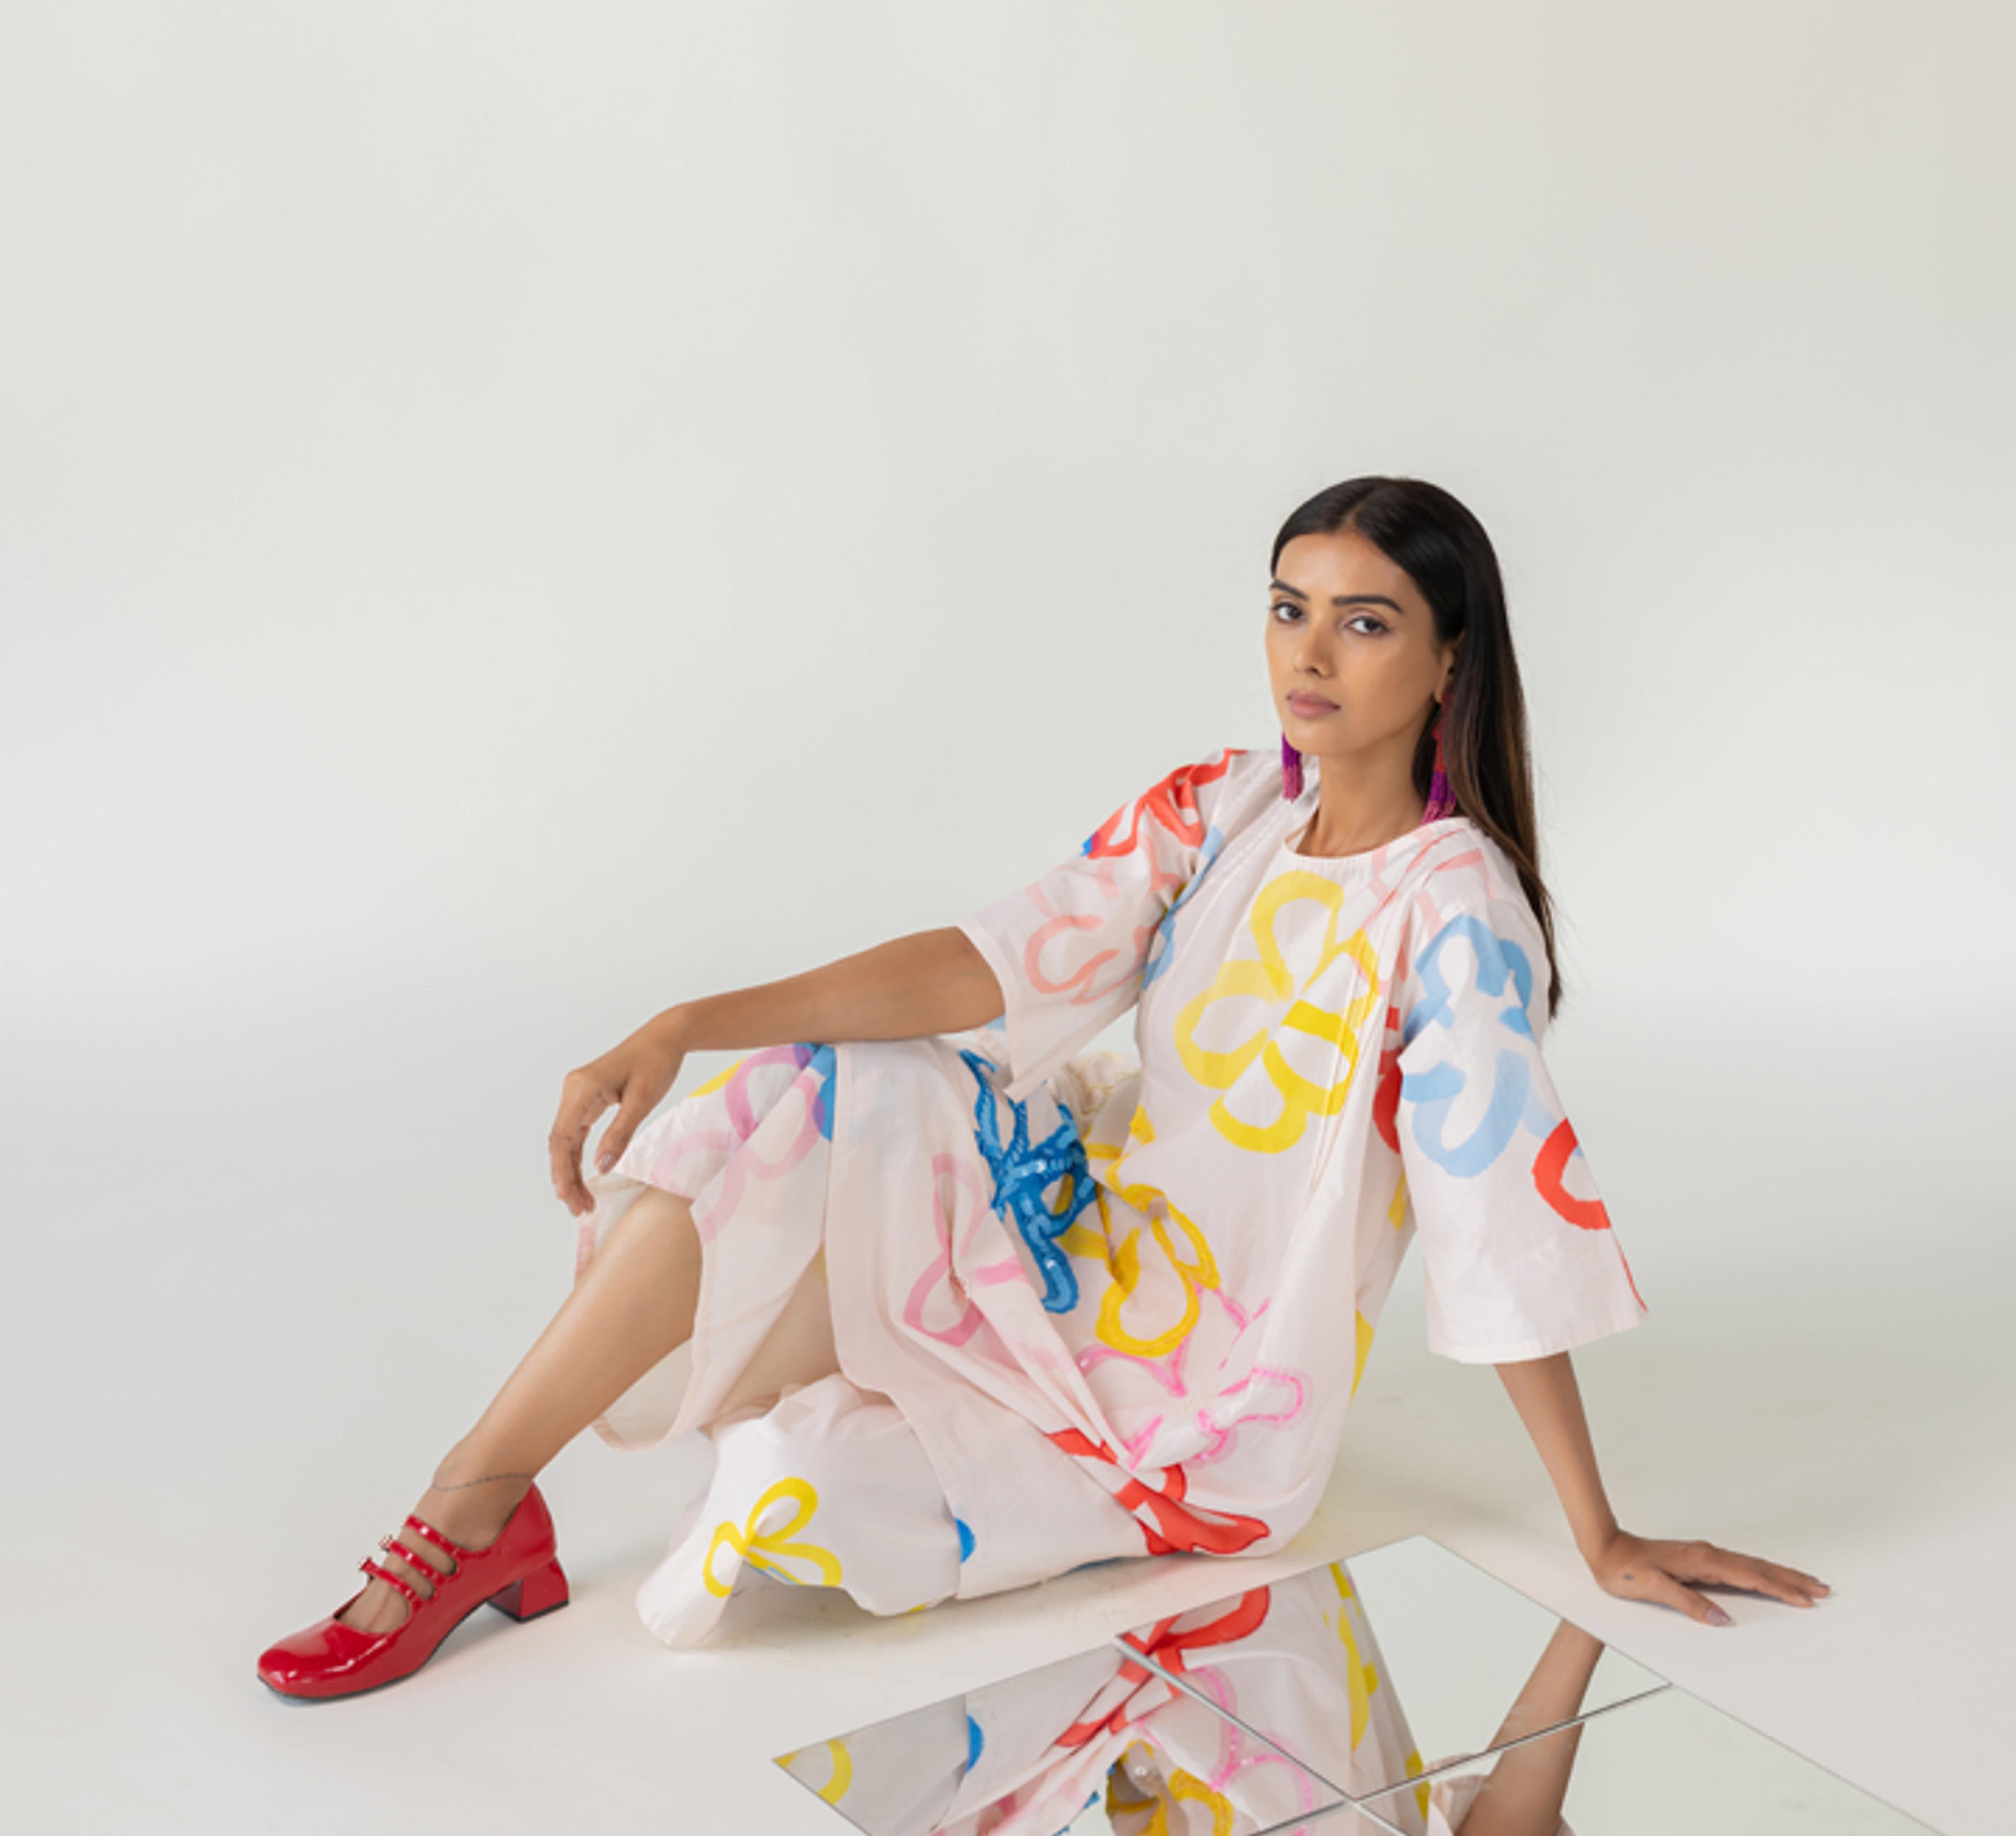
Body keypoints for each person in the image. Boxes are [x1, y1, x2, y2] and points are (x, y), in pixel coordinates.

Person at [256, 475, 1829, 1699]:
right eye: (1288, 609)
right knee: (799, 1091)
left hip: (1202, 1405)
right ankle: (473, 1509)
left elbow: (1499, 1221)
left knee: (788, 1490)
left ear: (1448, 659)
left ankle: (857, 1402)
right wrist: (691, 1019)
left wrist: (1596, 1530)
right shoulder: (1225, 808)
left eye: (1363, 622)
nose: (1307, 653)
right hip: (1069, 1240)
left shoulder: (1452, 907)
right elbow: (986, 962)